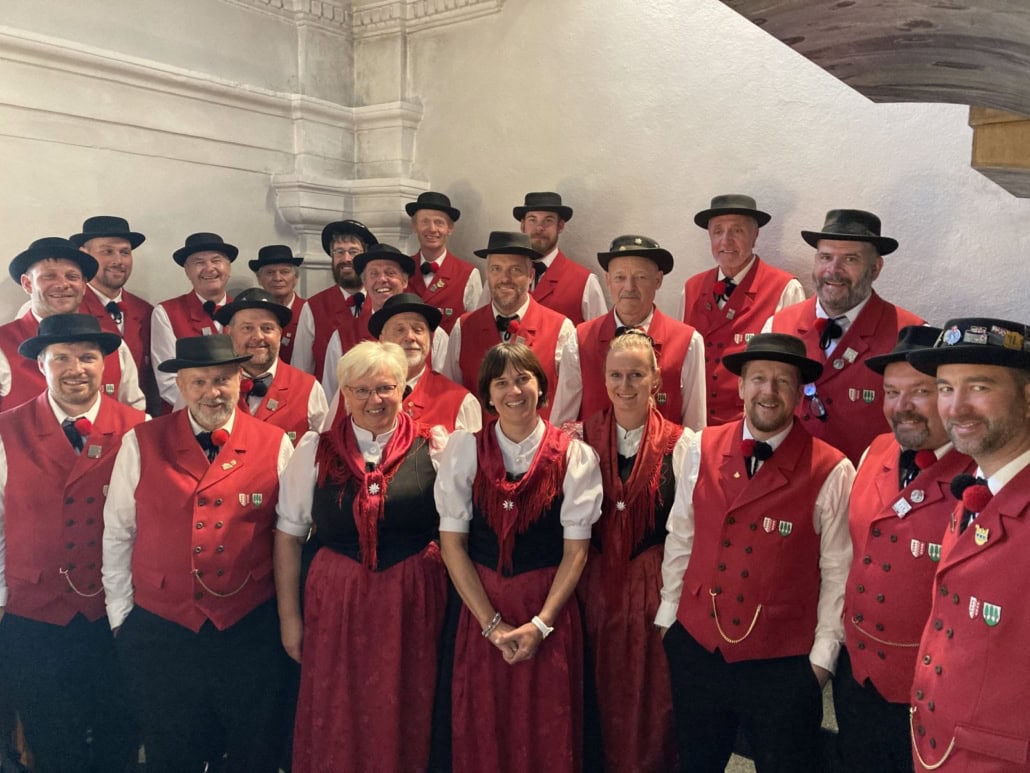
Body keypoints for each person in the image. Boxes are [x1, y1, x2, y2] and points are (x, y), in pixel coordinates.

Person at [657, 332, 854, 772]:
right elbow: (681, 534)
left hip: (782, 664)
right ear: (742, 386)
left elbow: (839, 573)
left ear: (800, 394)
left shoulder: (833, 470)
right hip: (697, 647)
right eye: (759, 379)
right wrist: (669, 619)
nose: (769, 391)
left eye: (783, 381)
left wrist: (820, 664)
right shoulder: (699, 447)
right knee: (695, 763)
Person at [102, 334, 293, 773]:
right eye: (200, 381)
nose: (213, 392)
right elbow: (118, 532)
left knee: (253, 748)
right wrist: (121, 616)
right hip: (162, 629)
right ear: (181, 385)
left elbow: (289, 536)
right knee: (172, 750)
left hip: (248, 628)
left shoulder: (276, 443)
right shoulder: (141, 441)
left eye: (223, 379)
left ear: (240, 380)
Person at [275, 341, 449, 772]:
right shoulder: (314, 450)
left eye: (386, 388)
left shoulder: (436, 447)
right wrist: (290, 619)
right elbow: (289, 537)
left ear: (403, 389)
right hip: (336, 600)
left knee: (408, 699)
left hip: (412, 600)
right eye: (362, 390)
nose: (375, 400)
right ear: (345, 395)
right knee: (339, 702)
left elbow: (454, 534)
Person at [435, 342, 602, 772]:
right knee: (484, 721)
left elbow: (576, 552)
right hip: (481, 607)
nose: (514, 390)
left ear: (541, 387)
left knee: (546, 722)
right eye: (501, 382)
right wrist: (491, 625)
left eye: (523, 378)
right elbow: (452, 546)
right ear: (488, 395)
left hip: (546, 609)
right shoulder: (464, 450)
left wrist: (541, 624)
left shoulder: (573, 455)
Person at [0, 313, 145, 772]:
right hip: (33, 612)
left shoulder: (141, 427)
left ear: (105, 365)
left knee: (118, 733)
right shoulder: (5, 429)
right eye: (60, 357)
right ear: (40, 364)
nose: (75, 368)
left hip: (116, 613)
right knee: (52, 739)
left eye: (87, 357)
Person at [833, 325, 974, 772]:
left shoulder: (978, 478)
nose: (902, 406)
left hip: (932, 694)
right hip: (857, 678)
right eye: (891, 392)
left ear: (949, 397)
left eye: (920, 392)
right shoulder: (874, 451)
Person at [906, 317, 1030, 771]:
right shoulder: (977, 488)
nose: (956, 407)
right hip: (939, 746)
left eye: (979, 386)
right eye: (945, 388)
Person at [577, 330, 694, 772]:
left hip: (652, 589)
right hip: (592, 589)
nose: (625, 385)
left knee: (649, 698)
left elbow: (685, 533)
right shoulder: (579, 439)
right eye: (616, 375)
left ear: (655, 380)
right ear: (604, 379)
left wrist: (671, 605)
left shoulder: (683, 445)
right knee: (592, 693)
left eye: (636, 375)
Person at [766, 210, 924, 464]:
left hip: (865, 482)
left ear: (875, 268)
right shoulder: (777, 325)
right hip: (788, 480)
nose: (833, 270)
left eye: (850, 259)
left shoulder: (911, 336)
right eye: (825, 257)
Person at [552, 234, 707, 430]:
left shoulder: (688, 342)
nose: (629, 287)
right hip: (592, 451)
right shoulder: (579, 340)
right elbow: (562, 425)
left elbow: (695, 428)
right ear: (608, 280)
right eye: (620, 277)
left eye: (640, 277)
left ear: (658, 280)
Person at [680, 195, 805, 425]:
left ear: (755, 235)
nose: (726, 241)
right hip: (696, 428)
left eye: (737, 231)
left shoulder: (785, 289)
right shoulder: (691, 289)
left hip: (752, 427)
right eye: (718, 231)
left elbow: (790, 373)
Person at [442, 231, 575, 422]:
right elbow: (452, 396)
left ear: (530, 275)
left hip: (540, 439)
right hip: (480, 439)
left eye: (515, 270)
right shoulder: (463, 327)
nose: (505, 278)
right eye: (496, 269)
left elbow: (568, 403)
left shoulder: (561, 329)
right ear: (488, 274)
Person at [0, 237, 144, 412]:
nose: (63, 284)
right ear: (27, 284)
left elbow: (133, 412)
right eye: (49, 276)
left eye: (72, 276)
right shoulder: (2, 345)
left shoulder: (116, 347)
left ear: (83, 286)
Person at [322, 243, 448, 396]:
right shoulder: (341, 337)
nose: (382, 279)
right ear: (365, 283)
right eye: (373, 274)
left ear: (405, 281)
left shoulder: (435, 335)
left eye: (390, 273)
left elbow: (445, 391)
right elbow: (331, 395)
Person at [71, 215, 161, 415]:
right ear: (84, 255)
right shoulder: (70, 310)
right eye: (107, 251)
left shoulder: (146, 311)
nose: (118, 261)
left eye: (125, 252)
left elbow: (153, 384)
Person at [215, 288, 328, 444]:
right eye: (247, 328)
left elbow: (326, 451)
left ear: (279, 333)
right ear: (229, 333)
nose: (258, 336)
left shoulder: (308, 388)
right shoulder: (212, 385)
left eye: (267, 328)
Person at [369, 292, 481, 432]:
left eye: (418, 330)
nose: (410, 337)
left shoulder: (461, 402)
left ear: (430, 338)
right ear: (382, 340)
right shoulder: (359, 395)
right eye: (399, 330)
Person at [150, 232, 238, 410]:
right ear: (187, 271)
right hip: (186, 415)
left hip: (237, 413)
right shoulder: (165, 312)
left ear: (228, 268)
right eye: (199, 262)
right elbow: (168, 381)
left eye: (216, 260)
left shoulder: (243, 312)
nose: (209, 268)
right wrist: (207, 410)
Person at [292, 219, 377, 376]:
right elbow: (300, 369)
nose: (346, 259)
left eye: (353, 252)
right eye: (339, 252)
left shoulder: (382, 302)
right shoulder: (313, 308)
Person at [513, 191, 606, 324]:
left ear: (560, 226)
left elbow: (600, 334)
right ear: (523, 225)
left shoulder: (586, 282)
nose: (539, 227)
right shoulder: (502, 276)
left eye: (548, 220)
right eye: (532, 220)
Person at [405, 191, 483, 333]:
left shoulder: (468, 274)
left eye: (439, 222)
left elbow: (476, 327)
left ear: (450, 228)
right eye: (425, 222)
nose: (432, 229)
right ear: (414, 226)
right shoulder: (401, 269)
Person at [249, 244, 306, 365]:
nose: (277, 278)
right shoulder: (250, 314)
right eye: (270, 272)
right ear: (259, 278)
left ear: (295, 277)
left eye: (284, 272)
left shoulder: (309, 311)